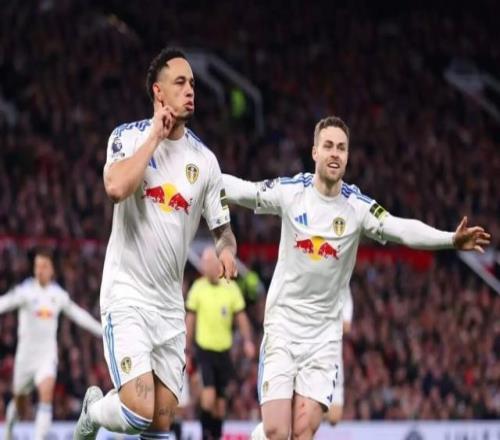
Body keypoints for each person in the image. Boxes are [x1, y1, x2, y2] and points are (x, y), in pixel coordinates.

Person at [222, 115, 491, 440]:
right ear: (315, 152)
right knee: (277, 431)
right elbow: (244, 191)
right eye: (328, 146)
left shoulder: (357, 207)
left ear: (348, 156)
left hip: (323, 337)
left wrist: (450, 239)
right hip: (283, 326)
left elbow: (400, 228)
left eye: (341, 148)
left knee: (303, 432)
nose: (335, 153)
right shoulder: (292, 192)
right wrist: (196, 173)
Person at [74, 47, 237, 440]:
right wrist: (154, 138)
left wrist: (227, 250)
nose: (190, 90)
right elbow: (116, 188)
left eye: (192, 83)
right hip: (127, 294)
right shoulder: (127, 137)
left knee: (161, 423)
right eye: (180, 82)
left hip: (169, 307)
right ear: (158, 92)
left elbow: (223, 229)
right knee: (137, 411)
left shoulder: (205, 161)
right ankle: (94, 412)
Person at [0, 249, 102, 440]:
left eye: (44, 266)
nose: (40, 270)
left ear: (52, 270)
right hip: (25, 359)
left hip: (46, 356)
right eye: (37, 266)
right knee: (20, 404)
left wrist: (101, 331)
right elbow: (4, 303)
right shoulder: (25, 291)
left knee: (45, 397)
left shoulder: (58, 295)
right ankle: (8, 432)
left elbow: (78, 315)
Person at [186, 247, 255, 440]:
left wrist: (248, 341)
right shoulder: (197, 288)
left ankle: (214, 437)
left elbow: (241, 317)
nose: (204, 266)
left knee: (220, 406)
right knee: (208, 398)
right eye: (203, 263)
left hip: (224, 353)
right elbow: (190, 319)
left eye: (208, 262)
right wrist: (186, 348)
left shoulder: (230, 288)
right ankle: (205, 435)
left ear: (217, 265)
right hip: (204, 351)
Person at [326, 286, 353, 425]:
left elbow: (346, 326)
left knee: (334, 417)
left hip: (332, 363)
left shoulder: (340, 281)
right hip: (304, 361)